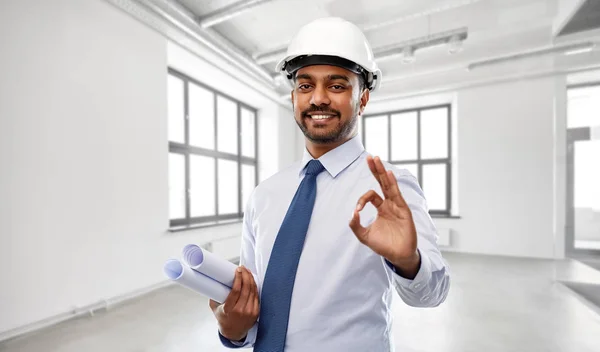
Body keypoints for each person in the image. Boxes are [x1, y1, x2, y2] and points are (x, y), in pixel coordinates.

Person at [209, 17, 451, 352]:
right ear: (294, 97)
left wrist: (408, 261)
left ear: (363, 99)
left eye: (337, 86)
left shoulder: (390, 190)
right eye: (305, 86)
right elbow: (250, 309)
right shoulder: (265, 195)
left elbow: (432, 294)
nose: (318, 99)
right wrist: (232, 329)